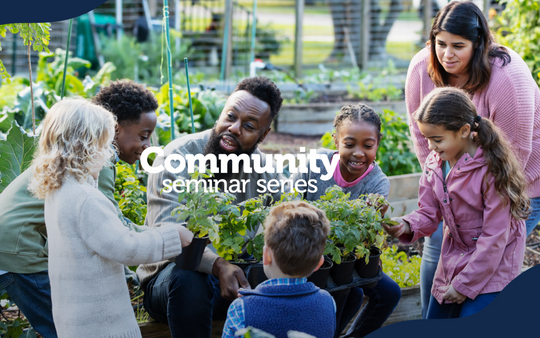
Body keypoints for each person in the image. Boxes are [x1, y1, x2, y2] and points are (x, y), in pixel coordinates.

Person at [0, 80, 160, 337]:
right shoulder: (97, 164)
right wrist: (160, 237)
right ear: (114, 129)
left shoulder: (75, 158)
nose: (147, 146)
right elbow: (111, 225)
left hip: (4, 240)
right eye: (143, 136)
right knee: (71, 325)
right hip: (17, 246)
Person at [404, 1, 540, 318]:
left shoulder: (507, 77)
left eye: (458, 46)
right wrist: (441, 194)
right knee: (439, 250)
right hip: (460, 182)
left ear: (479, 44)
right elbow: (425, 144)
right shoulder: (421, 69)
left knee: (490, 260)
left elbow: (514, 157)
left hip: (522, 181)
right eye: (440, 44)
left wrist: (470, 202)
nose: (447, 54)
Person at [27, 98, 193, 337]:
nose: (108, 152)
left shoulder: (59, 190)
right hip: (102, 323)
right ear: (88, 146)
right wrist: (173, 235)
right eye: (105, 144)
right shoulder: (86, 199)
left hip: (76, 319)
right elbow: (126, 247)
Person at [137, 76, 285, 338]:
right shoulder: (177, 156)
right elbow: (168, 230)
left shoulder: (266, 173)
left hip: (237, 282)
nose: (234, 128)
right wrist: (218, 265)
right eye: (230, 116)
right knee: (190, 276)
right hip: (169, 283)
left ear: (264, 135)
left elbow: (284, 225)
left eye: (249, 126)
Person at [384, 87, 529, 319]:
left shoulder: (492, 171)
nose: (430, 147)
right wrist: (406, 224)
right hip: (455, 259)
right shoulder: (435, 164)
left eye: (437, 139)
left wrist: (464, 285)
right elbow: (428, 212)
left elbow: (494, 238)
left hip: (495, 268)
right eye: (427, 139)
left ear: (463, 131)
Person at [290, 104, 401, 338]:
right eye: (349, 144)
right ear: (336, 141)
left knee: (389, 293)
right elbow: (287, 208)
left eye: (368, 145)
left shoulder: (377, 183)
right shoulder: (315, 165)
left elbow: (365, 232)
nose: (359, 153)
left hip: (346, 256)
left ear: (378, 143)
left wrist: (372, 241)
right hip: (303, 254)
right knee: (349, 293)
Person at [222, 201, 336, 338]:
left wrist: (249, 302)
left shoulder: (240, 309)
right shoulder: (329, 302)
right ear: (320, 263)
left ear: (266, 256)